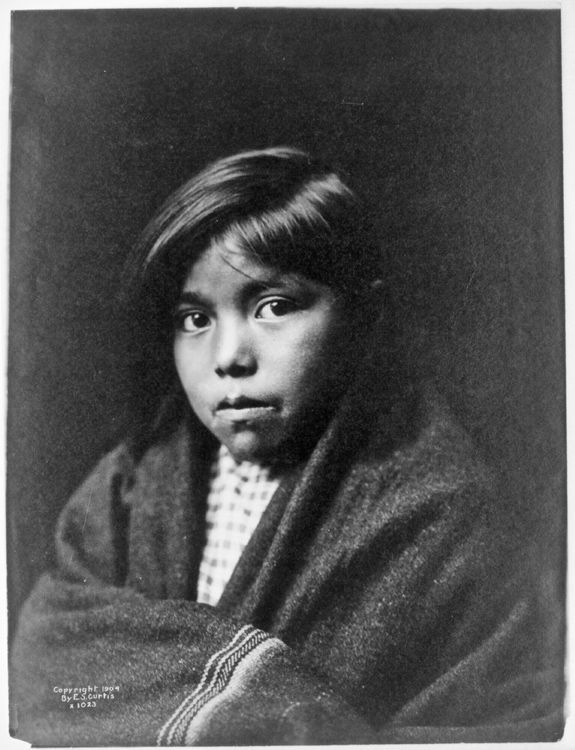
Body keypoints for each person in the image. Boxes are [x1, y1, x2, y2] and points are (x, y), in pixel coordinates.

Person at [9, 147, 563, 745]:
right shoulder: (126, 488)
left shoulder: (448, 517)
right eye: (195, 320)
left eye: (273, 307)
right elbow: (44, 672)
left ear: (363, 314)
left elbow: (507, 729)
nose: (228, 358)